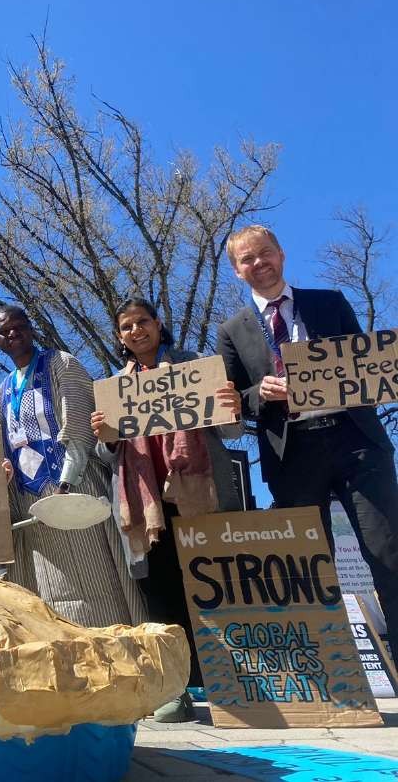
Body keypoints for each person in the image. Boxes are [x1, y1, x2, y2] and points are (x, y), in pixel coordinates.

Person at [217, 224, 398, 640]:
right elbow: (232, 399)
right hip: (293, 454)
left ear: (281, 254)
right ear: (237, 271)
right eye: (247, 259)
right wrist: (259, 394)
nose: (259, 263)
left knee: (388, 554)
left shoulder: (329, 302)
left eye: (265, 253)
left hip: (357, 443)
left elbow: (366, 365)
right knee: (307, 567)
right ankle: (334, 682)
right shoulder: (233, 330)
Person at [91, 297, 243, 722]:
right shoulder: (115, 387)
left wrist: (231, 404)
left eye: (143, 322)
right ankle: (178, 688)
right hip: (146, 508)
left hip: (197, 496)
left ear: (159, 324)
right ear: (119, 338)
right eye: (127, 327)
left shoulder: (194, 367)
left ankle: (232, 683)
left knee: (210, 587)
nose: (136, 331)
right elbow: (107, 458)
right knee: (160, 595)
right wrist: (104, 436)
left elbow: (231, 430)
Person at [0, 305, 146, 628]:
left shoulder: (61, 363)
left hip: (72, 488)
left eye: (18, 326)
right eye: (3, 332)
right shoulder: (3, 391)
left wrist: (65, 484)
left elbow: (78, 422)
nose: (12, 334)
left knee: (96, 580)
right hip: (29, 504)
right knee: (46, 594)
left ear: (30, 329)